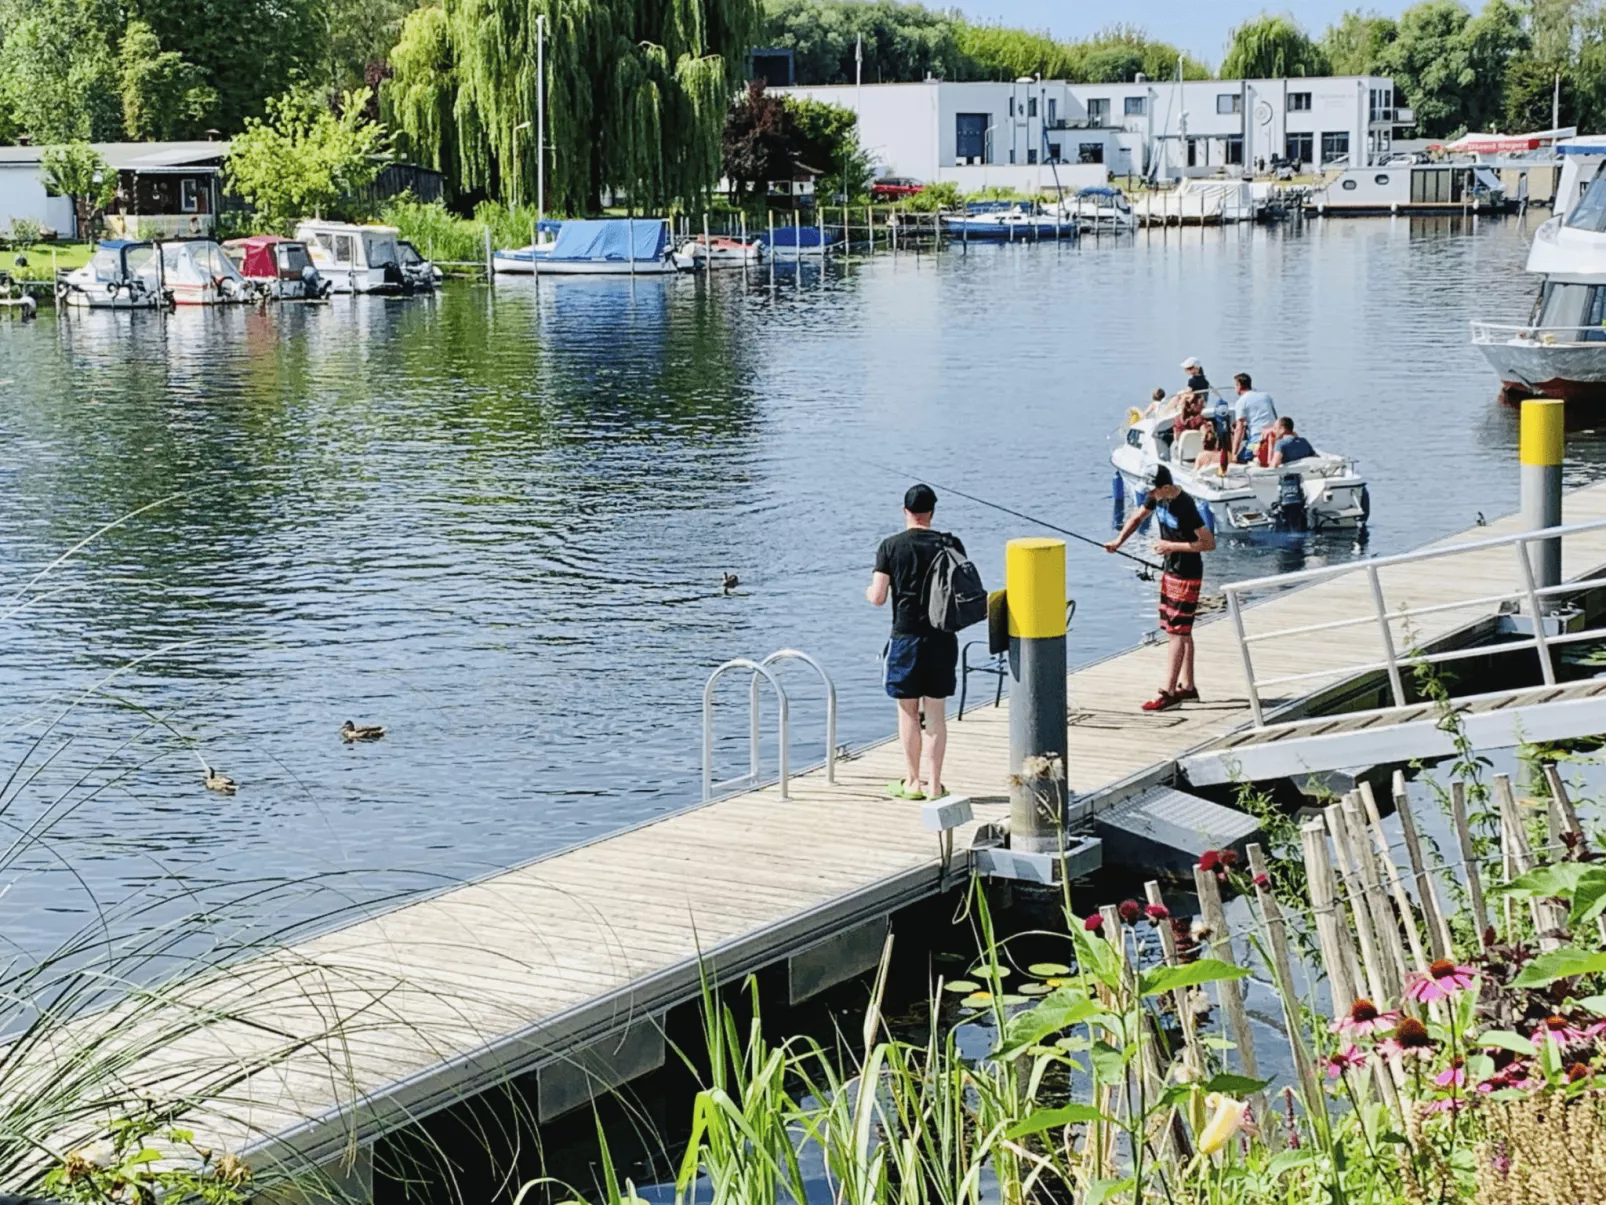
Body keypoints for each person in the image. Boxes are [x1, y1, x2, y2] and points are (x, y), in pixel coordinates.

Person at [867, 484, 962, 800]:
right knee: (935, 714)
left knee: (908, 711)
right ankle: (935, 786)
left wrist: (869, 591)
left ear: (905, 511)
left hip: (906, 639)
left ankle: (912, 782)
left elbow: (878, 597)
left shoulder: (890, 546)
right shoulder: (950, 544)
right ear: (932, 512)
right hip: (942, 638)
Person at [1105, 466, 1215, 711]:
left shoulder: (1184, 506)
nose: (1150, 494)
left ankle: (1169, 692)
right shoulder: (1156, 498)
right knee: (1180, 630)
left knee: (1176, 631)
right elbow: (1137, 518)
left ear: (1166, 487)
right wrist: (1118, 541)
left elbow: (1208, 543)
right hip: (1171, 570)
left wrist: (1171, 546)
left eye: (1154, 489)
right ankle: (1188, 687)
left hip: (1187, 573)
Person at [1229, 372, 1278, 463]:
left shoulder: (1241, 401)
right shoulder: (1266, 396)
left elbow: (1239, 429)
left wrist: (1234, 453)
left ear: (1239, 385)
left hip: (1257, 438)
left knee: (1242, 458)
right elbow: (1275, 417)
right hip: (1275, 434)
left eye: (1235, 386)